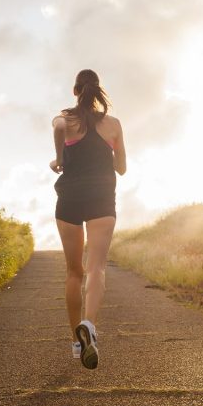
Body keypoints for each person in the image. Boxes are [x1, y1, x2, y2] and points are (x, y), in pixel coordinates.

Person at [49, 69, 127, 370]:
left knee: (74, 271)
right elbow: (121, 168)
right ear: (97, 91)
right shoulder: (113, 124)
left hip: (70, 196)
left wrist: (59, 159)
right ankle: (89, 326)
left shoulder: (66, 119)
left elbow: (57, 128)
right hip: (102, 198)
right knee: (96, 268)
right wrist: (112, 152)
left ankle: (76, 341)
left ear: (75, 90)